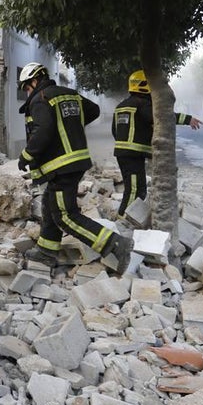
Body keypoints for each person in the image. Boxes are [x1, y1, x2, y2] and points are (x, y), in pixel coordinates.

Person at [16, 62, 131, 271]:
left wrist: (26, 155)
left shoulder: (40, 100)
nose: (26, 92)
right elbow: (93, 110)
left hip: (61, 165)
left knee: (65, 215)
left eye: (26, 87)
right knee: (51, 204)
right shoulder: (68, 93)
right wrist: (71, 125)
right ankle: (46, 251)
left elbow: (43, 131)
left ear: (34, 80)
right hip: (76, 161)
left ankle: (114, 244)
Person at [111, 70, 202, 216]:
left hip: (124, 153)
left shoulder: (121, 106)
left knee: (138, 188)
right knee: (134, 190)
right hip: (133, 154)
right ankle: (123, 220)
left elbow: (114, 130)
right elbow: (162, 116)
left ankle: (132, 218)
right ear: (144, 85)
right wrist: (187, 119)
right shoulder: (143, 104)